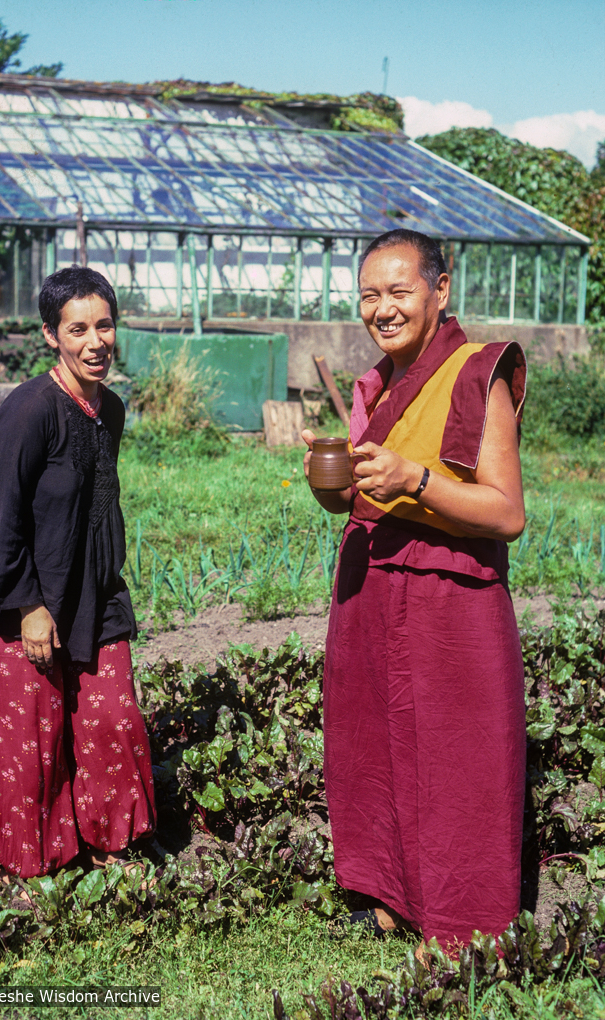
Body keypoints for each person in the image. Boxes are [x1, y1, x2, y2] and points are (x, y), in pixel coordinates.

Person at [303, 229, 527, 955]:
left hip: (446, 599)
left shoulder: (474, 373)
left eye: (399, 291)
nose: (382, 308)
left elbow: (505, 513)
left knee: (458, 759)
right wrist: (349, 492)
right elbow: (382, 491)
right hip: (371, 589)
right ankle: (393, 898)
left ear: (439, 291)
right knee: (376, 745)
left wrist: (413, 481)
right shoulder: (377, 381)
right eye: (369, 295)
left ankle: (465, 923)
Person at [0, 265, 156, 882]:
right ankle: (36, 869)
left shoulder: (110, 410)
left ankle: (111, 844)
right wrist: (29, 606)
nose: (95, 341)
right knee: (31, 743)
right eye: (78, 329)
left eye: (104, 325)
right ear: (51, 335)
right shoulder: (29, 411)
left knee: (113, 717)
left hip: (90, 593)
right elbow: (0, 516)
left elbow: (96, 510)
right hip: (18, 603)